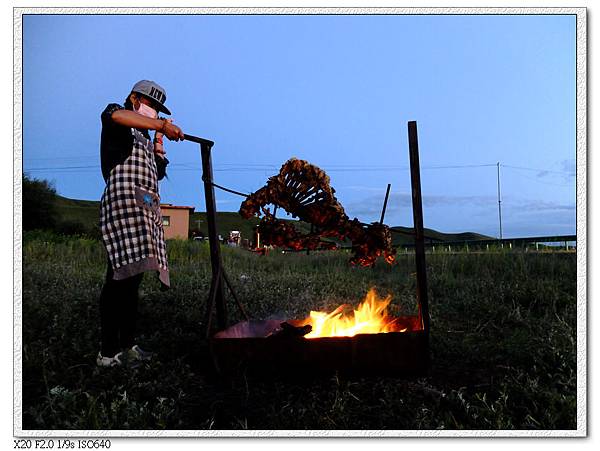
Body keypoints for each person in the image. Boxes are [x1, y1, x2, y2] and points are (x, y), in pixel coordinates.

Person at [96, 80, 185, 367]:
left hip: (144, 208)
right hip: (123, 204)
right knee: (118, 277)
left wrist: (159, 143)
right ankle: (108, 353)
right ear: (134, 98)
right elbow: (116, 117)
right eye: (151, 105)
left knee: (134, 278)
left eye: (158, 109)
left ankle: (128, 345)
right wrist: (161, 127)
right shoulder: (117, 115)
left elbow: (156, 174)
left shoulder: (145, 138)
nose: (154, 112)